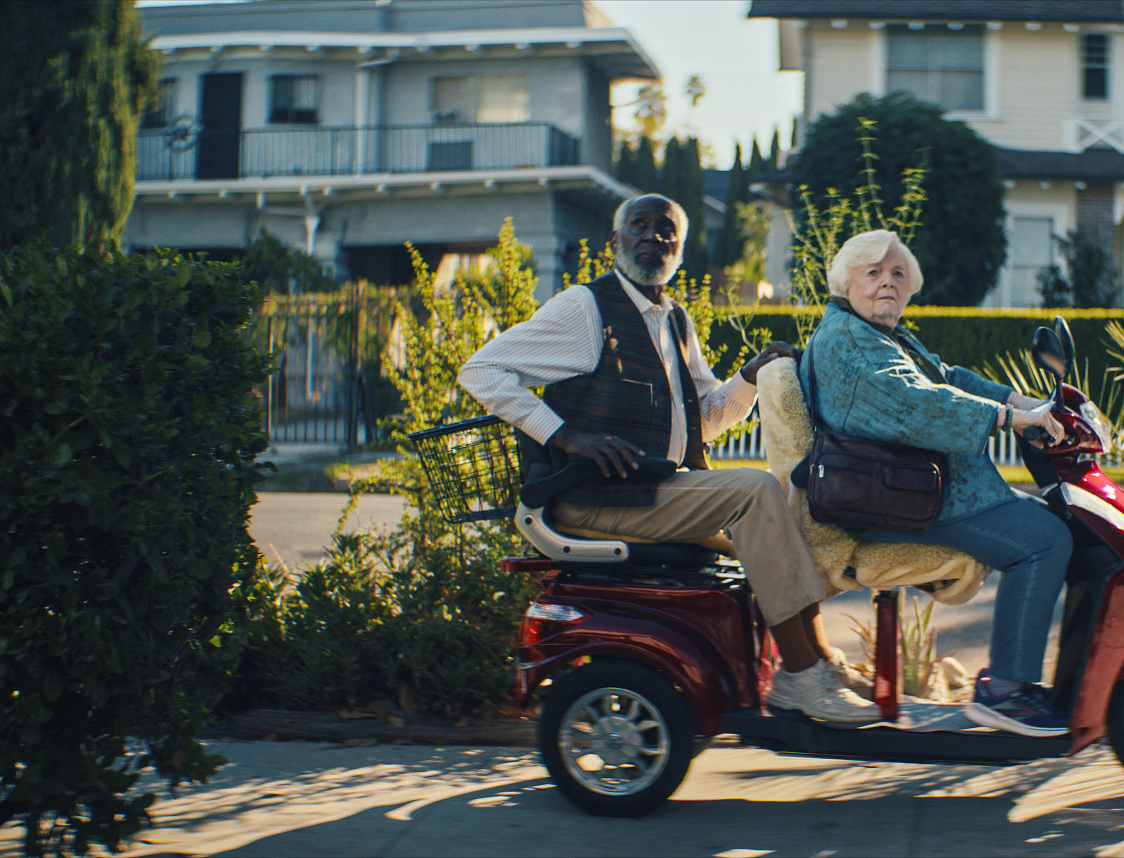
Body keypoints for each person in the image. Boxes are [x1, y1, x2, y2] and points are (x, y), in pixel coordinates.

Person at [459, 194, 877, 723]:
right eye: (641, 226)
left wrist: (749, 376)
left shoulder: (674, 318)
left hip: (649, 491)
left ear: (679, 249)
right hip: (596, 496)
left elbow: (702, 418)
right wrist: (566, 436)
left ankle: (817, 663)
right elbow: (481, 371)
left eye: (667, 230)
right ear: (615, 242)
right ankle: (800, 677)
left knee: (787, 521)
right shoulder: (584, 309)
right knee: (755, 492)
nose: (655, 237)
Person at [800, 229, 1076, 737]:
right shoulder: (847, 341)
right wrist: (1007, 419)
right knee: (1046, 539)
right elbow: (914, 403)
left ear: (909, 289)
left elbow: (946, 377)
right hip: (894, 501)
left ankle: (1022, 679)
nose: (887, 282)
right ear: (846, 283)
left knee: (1056, 519)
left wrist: (1023, 404)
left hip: (918, 490)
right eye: (873, 272)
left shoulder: (882, 335)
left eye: (897, 274)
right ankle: (1007, 692)